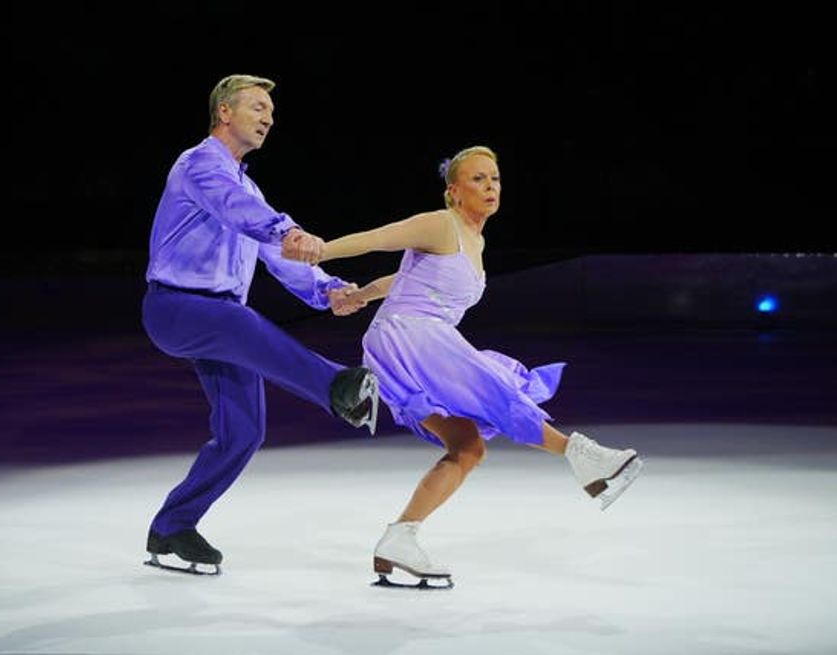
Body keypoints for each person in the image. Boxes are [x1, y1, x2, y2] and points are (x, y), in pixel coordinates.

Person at [294, 145, 643, 587]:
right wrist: (321, 251)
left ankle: (399, 538)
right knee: (497, 387)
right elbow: (380, 237)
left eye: (495, 178)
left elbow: (406, 280)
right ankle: (583, 456)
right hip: (410, 336)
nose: (490, 186)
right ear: (454, 192)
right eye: (478, 179)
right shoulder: (442, 224)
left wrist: (362, 295)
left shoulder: (475, 241)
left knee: (468, 447)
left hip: (417, 337)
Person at [141, 74, 379, 575]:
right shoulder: (201, 165)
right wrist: (286, 227)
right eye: (257, 107)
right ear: (224, 113)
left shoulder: (247, 185)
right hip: (177, 309)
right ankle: (336, 384)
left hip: (218, 320)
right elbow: (245, 213)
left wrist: (327, 289)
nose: (268, 117)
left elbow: (276, 252)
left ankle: (171, 527)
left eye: (271, 111)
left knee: (243, 431)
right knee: (241, 324)